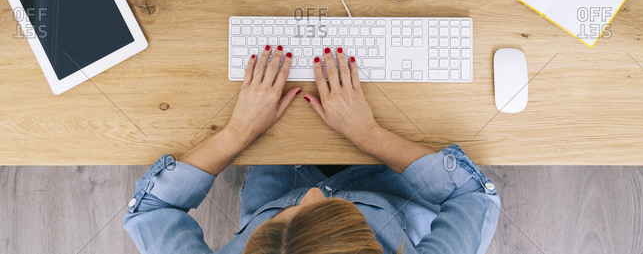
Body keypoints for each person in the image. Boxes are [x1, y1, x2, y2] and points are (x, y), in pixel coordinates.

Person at [124, 45, 500, 254]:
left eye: (280, 219)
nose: (311, 192)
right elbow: (472, 195)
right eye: (335, 209)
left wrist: (237, 132)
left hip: (279, 169)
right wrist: (368, 133)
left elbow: (153, 209)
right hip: (397, 185)